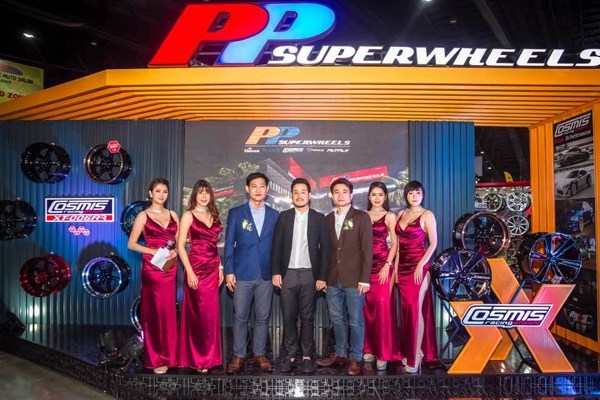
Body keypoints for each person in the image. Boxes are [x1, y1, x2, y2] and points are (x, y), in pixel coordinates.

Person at [271, 178, 330, 374]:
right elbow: (276, 247)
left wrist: (322, 276)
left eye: (303, 191)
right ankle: (290, 355)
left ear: (309, 195)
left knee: (307, 318)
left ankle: (306, 356)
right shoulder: (284, 217)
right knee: (288, 317)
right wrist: (276, 272)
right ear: (291, 195)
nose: (299, 195)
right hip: (287, 274)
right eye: (295, 192)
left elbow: (326, 250)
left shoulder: (318, 218)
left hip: (309, 275)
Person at [317, 177, 373, 376]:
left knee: (355, 320)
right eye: (336, 192)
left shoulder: (361, 217)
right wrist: (323, 277)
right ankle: (341, 354)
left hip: (355, 279)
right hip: (333, 279)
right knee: (336, 319)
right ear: (331, 196)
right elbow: (324, 251)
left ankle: (355, 357)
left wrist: (365, 279)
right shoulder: (327, 219)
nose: (340, 195)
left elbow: (367, 250)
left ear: (351, 194)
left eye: (344, 192)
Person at [224, 172, 279, 374]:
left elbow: (278, 247)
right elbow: (229, 244)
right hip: (242, 273)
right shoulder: (236, 213)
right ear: (247, 189)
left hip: (266, 274)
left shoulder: (275, 215)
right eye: (254, 186)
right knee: (240, 316)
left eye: (262, 186)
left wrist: (277, 271)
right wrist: (229, 271)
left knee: (263, 317)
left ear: (267, 189)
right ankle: (238, 355)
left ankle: (259, 354)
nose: (258, 190)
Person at [127, 178, 179, 374]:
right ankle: (156, 358)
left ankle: (171, 356)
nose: (161, 194)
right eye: (158, 191)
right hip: (152, 269)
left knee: (168, 312)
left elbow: (180, 241)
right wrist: (152, 251)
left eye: (165, 191)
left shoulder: (173, 214)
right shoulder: (143, 215)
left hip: (169, 268)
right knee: (155, 313)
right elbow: (131, 244)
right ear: (150, 193)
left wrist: (175, 251)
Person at [176, 179, 224, 374]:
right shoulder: (188, 215)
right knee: (198, 316)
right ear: (194, 195)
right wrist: (189, 271)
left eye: (207, 192)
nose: (204, 196)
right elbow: (180, 246)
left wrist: (220, 268)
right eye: (200, 192)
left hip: (213, 270)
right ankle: (197, 358)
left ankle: (210, 357)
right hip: (195, 269)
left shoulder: (214, 214)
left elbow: (214, 246)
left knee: (210, 316)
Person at [395, 180, 438, 373]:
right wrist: (396, 270)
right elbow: (397, 246)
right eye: (411, 193)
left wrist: (421, 264)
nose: (414, 196)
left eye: (418, 193)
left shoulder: (427, 215)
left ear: (423, 194)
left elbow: (433, 243)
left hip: (419, 268)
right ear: (406, 195)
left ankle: (417, 355)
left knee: (414, 311)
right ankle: (409, 350)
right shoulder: (401, 214)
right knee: (406, 313)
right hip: (402, 268)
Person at [362, 181, 401, 371]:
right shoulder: (362, 216)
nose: (377, 198)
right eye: (373, 194)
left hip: (383, 267)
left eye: (380, 194)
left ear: (385, 197)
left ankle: (385, 352)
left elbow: (395, 243)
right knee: (367, 310)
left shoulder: (390, 216)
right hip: (365, 268)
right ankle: (369, 348)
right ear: (369, 197)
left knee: (383, 308)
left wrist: (388, 264)